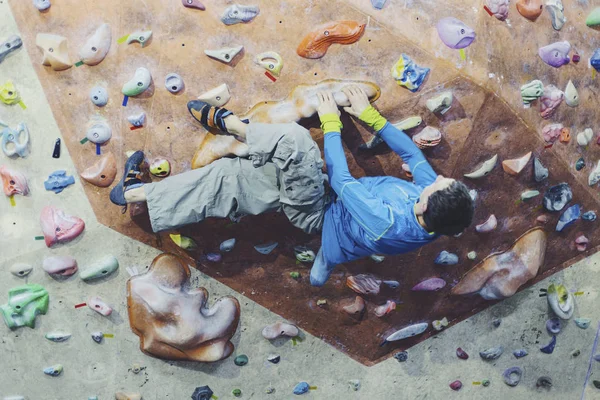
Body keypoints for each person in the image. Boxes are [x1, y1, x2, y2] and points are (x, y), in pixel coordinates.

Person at [110, 86, 474, 287]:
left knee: (296, 144)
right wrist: (373, 118)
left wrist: (331, 121)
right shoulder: (440, 207)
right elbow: (413, 156)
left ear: (424, 207)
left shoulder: (387, 221)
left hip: (321, 213)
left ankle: (235, 126)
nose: (438, 178)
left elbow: (342, 178)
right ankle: (137, 195)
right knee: (234, 181)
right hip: (340, 203)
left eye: (435, 186)